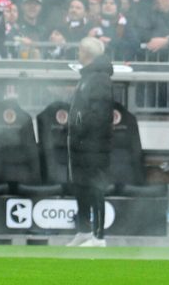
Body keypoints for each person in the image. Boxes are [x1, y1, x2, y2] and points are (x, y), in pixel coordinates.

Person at [66, 37, 114, 248]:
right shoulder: (87, 77)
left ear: (86, 53)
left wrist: (81, 127)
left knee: (95, 187)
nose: (77, 53)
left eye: (79, 50)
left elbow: (100, 114)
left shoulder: (100, 79)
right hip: (81, 144)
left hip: (94, 145)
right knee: (81, 187)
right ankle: (84, 231)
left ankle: (99, 236)